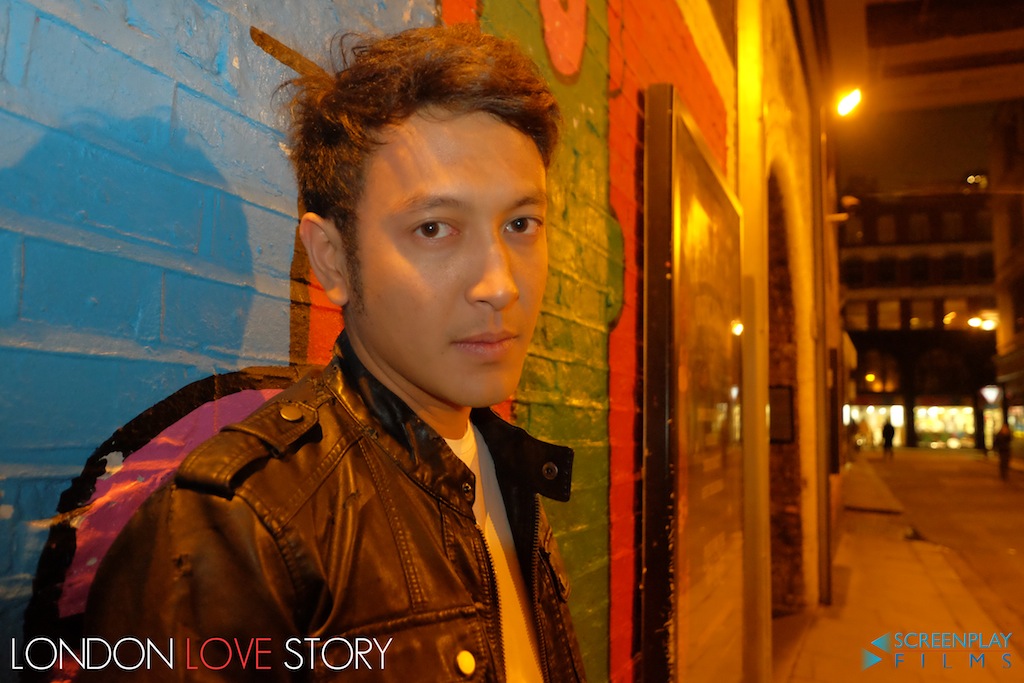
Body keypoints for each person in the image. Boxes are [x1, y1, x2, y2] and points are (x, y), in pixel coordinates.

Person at [81, 25, 585, 682]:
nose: (500, 285)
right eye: (434, 228)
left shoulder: (505, 467)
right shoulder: (237, 530)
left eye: (521, 224)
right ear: (332, 259)